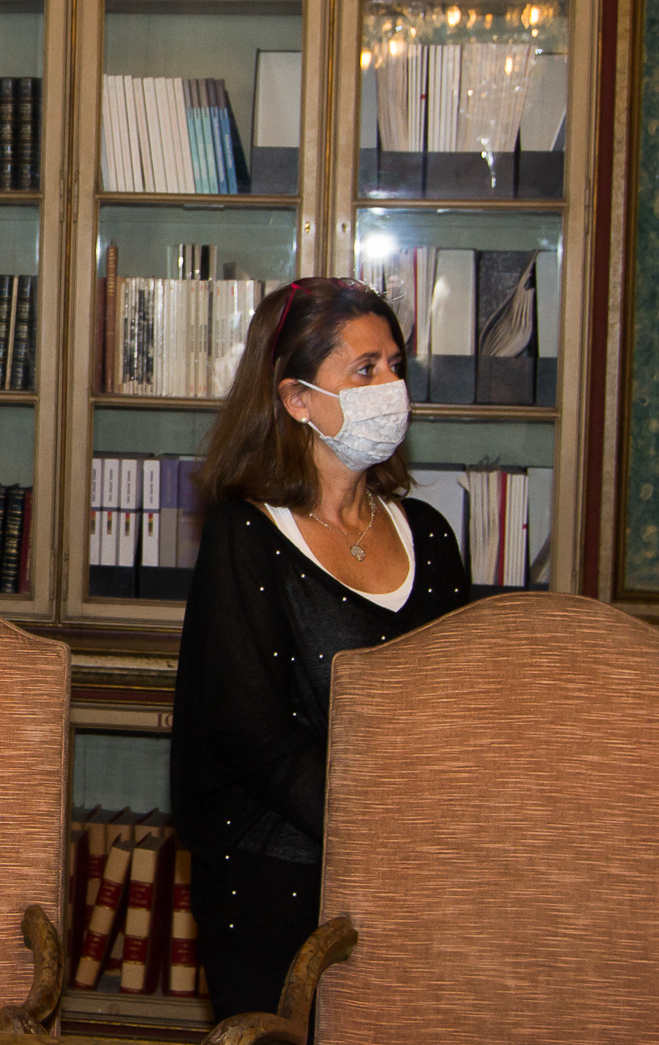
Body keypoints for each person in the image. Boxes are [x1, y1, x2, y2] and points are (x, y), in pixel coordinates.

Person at [170, 277, 470, 1021]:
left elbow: (461, 709)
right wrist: (389, 827)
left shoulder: (430, 534)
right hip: (278, 890)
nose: (390, 388)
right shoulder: (245, 535)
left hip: (419, 884)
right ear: (297, 399)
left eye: (396, 366)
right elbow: (256, 740)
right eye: (364, 370)